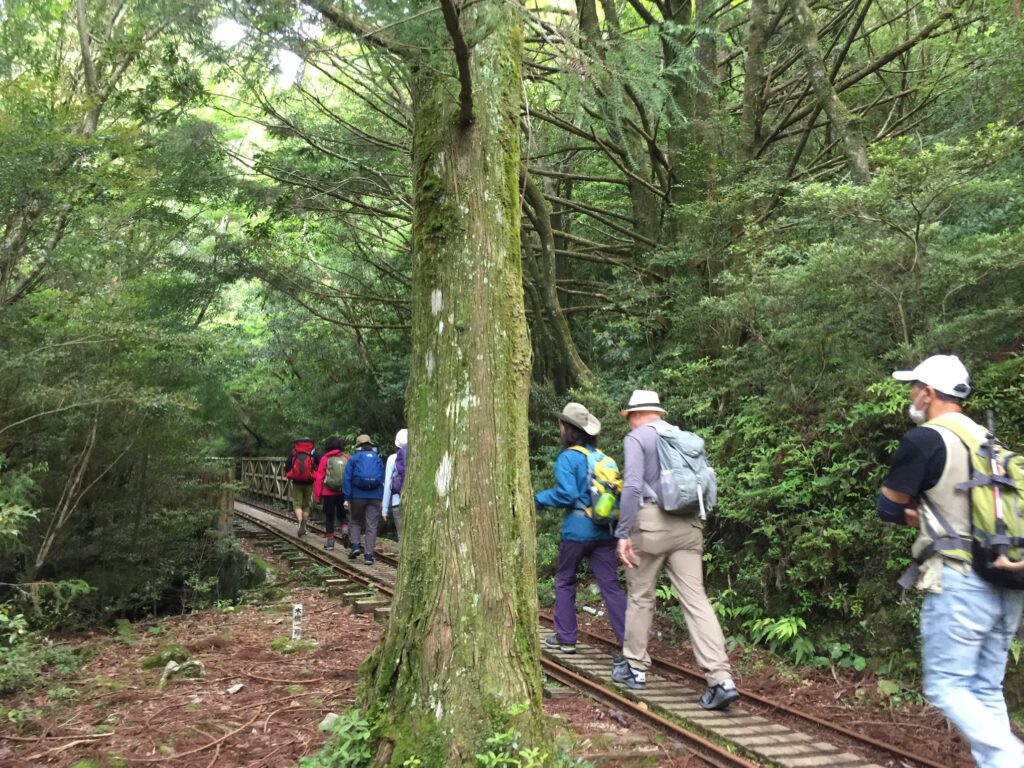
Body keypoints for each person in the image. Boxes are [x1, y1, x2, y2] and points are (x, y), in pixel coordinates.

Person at [878, 354, 1024, 768]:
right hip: (1007, 576)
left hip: (960, 579)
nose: (910, 395)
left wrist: (919, 515)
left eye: (914, 387)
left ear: (928, 393)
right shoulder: (991, 443)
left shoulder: (925, 440)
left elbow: (890, 507)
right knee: (984, 688)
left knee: (946, 686)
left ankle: (1013, 759)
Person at [611, 390, 738, 711]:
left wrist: (623, 532)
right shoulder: (683, 437)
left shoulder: (637, 438)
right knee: (696, 599)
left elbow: (634, 485)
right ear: (658, 412)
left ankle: (636, 670)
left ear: (636, 415)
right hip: (689, 524)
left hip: (651, 525)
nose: (629, 424)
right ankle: (721, 679)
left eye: (629, 418)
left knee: (641, 596)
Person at [535, 403, 626, 654]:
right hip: (604, 531)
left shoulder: (568, 457)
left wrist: (538, 500)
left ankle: (565, 638)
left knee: (564, 580)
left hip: (576, 531)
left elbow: (567, 494)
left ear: (568, 430)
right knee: (610, 586)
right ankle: (631, 644)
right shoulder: (602, 459)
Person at [343, 434, 385, 565]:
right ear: (370, 445)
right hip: (375, 496)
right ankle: (368, 555)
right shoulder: (377, 458)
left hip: (358, 496)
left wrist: (346, 498)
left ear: (358, 446)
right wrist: (382, 496)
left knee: (355, 521)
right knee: (371, 526)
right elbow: (382, 479)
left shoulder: (354, 459)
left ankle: (355, 546)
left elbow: (347, 479)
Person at [313, 436, 348, 551]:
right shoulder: (346, 457)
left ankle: (330, 542)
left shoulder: (325, 459)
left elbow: (319, 478)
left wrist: (317, 495)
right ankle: (345, 530)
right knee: (342, 514)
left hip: (328, 492)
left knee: (329, 516)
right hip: (342, 492)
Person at [284, 437, 319, 537]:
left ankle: (300, 524)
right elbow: (320, 464)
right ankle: (304, 524)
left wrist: (288, 473)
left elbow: (287, 465)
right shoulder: (313, 452)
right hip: (309, 481)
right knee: (306, 504)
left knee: (297, 503)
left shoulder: (294, 452)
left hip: (296, 482)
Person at [382, 429, 408, 542]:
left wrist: (384, 510)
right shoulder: (418, 457)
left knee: (402, 537)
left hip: (397, 502)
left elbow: (388, 484)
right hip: (415, 503)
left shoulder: (392, 458)